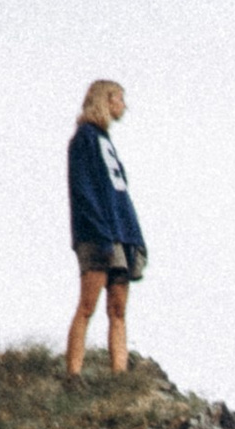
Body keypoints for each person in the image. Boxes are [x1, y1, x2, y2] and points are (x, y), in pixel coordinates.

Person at [66, 81, 146, 378]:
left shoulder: (106, 141)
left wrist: (134, 237)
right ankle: (73, 374)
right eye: (120, 99)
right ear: (107, 100)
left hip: (121, 235)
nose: (124, 105)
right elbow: (83, 190)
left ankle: (119, 377)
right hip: (97, 235)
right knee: (88, 305)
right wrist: (99, 233)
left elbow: (120, 194)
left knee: (118, 309)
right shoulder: (84, 140)